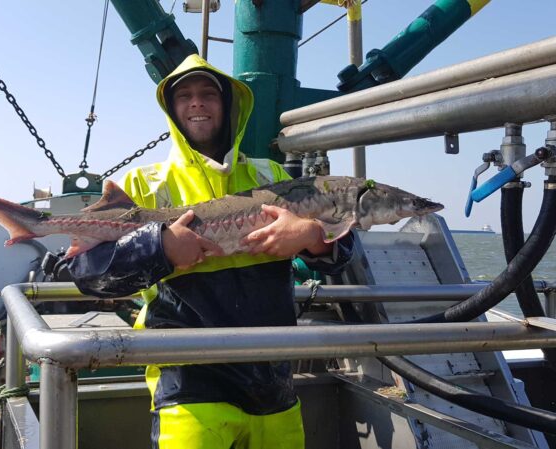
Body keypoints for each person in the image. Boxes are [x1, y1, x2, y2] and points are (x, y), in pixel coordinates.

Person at [68, 54, 353, 449]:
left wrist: (311, 235)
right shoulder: (143, 183)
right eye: (184, 96)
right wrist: (160, 247)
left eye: (208, 94)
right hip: (189, 383)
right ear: (171, 110)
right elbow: (89, 274)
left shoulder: (271, 175)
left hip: (274, 379)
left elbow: (342, 252)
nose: (196, 103)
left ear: (230, 105)